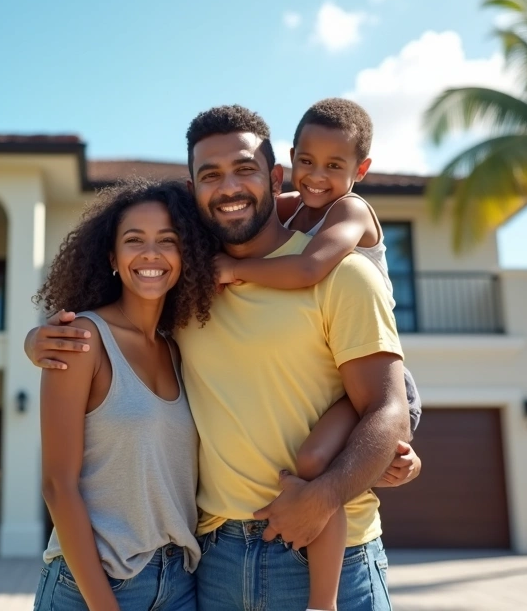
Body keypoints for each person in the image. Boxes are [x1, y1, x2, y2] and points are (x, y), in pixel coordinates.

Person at [29, 105, 411, 611]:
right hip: (214, 563)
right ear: (193, 189)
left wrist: (324, 496)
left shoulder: (340, 273)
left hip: (328, 552)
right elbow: (120, 322)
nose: (229, 188)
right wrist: (41, 338)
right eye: (211, 175)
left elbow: (389, 409)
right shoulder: (189, 289)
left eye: (245, 170)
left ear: (276, 177)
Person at [210, 97, 424, 610]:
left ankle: (323, 602)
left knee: (312, 464)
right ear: (290, 158)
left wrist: (235, 271)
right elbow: (239, 209)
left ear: (361, 170)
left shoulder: (348, 210)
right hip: (223, 548)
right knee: (317, 462)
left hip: (390, 378)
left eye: (335, 166)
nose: (317, 176)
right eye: (307, 162)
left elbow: (309, 269)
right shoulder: (294, 204)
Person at [33, 178, 219, 611]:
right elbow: (57, 485)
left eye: (167, 241)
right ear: (113, 257)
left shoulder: (178, 348)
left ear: (184, 255)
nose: (151, 254)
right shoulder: (82, 338)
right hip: (92, 586)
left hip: (178, 583)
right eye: (134, 240)